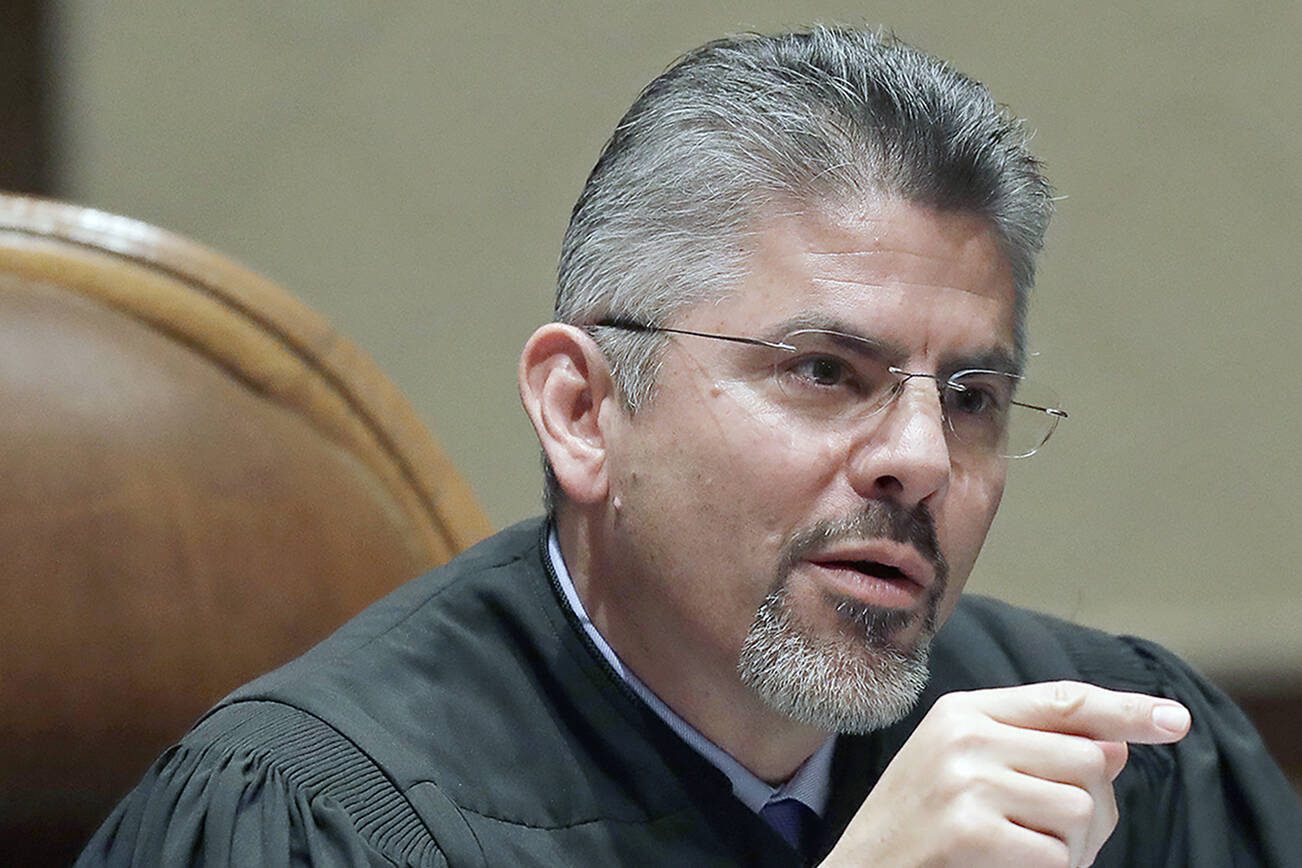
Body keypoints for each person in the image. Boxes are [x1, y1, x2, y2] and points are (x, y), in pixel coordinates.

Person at [79, 26, 1301, 867]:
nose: (922, 459)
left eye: (973, 395)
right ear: (582, 409)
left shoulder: (1121, 769)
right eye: (828, 371)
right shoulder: (309, 820)